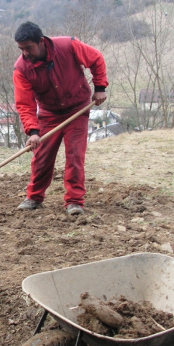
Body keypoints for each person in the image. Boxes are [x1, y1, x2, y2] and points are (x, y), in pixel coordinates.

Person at [13, 21, 108, 215]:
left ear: (40, 41)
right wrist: (33, 131)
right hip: (49, 114)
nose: (25, 53)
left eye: (28, 48)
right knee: (41, 157)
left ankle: (74, 201)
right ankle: (34, 197)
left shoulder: (68, 46)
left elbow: (96, 59)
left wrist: (100, 88)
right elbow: (25, 103)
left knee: (74, 155)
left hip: (77, 110)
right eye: (21, 49)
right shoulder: (21, 68)